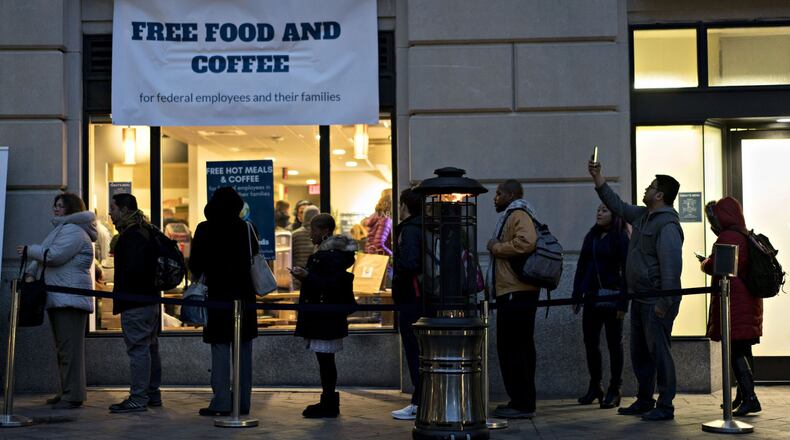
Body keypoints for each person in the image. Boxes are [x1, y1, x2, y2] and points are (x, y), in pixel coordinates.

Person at [588, 159, 683, 421]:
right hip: (639, 299)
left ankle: (665, 405)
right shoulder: (642, 216)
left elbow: (671, 268)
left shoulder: (667, 226)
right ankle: (644, 400)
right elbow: (616, 205)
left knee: (659, 353)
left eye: (651, 187)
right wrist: (598, 178)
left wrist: (665, 303)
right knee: (640, 353)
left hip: (656, 301)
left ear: (660, 195)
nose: (646, 189)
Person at [17, 193, 97, 409]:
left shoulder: (73, 230)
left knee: (69, 350)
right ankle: (67, 392)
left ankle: (73, 395)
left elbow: (54, 255)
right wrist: (32, 272)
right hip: (62, 297)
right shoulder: (64, 229)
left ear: (71, 209)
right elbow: (49, 258)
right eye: (55, 205)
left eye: (60, 206)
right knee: (64, 349)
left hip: (69, 298)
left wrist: (29, 250)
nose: (55, 209)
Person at [189, 187, 259, 416]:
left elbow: (195, 265)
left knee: (219, 350)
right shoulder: (248, 228)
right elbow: (255, 259)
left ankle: (221, 402)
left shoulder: (204, 228)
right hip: (244, 296)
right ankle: (243, 402)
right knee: (244, 352)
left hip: (217, 295)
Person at [701, 197, 763, 416]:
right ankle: (743, 396)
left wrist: (704, 263)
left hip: (735, 303)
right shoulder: (744, 235)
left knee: (736, 350)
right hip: (748, 300)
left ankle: (750, 398)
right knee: (745, 350)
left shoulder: (727, 237)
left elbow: (717, 266)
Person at [291, 214, 356, 418]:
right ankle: (328, 401)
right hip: (324, 314)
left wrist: (307, 276)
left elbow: (329, 284)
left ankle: (329, 403)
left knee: (326, 360)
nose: (311, 233)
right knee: (325, 360)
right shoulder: (330, 254)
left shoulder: (331, 256)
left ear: (325, 231)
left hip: (324, 315)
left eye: (314, 229)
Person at [485, 180, 539, 419]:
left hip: (516, 291)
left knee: (514, 347)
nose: (494, 198)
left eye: (498, 194)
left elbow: (526, 242)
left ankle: (522, 402)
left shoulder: (518, 213)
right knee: (516, 346)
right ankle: (520, 400)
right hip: (512, 290)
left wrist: (497, 247)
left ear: (511, 195)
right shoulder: (513, 214)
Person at [571, 204, 630, 409]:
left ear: (614, 215)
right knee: (590, 343)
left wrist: (623, 302)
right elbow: (582, 265)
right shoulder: (592, 236)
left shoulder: (621, 236)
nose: (599, 213)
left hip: (613, 298)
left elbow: (627, 270)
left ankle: (615, 388)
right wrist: (576, 295)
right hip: (592, 298)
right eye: (597, 209)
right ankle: (595, 385)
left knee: (615, 345)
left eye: (604, 210)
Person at [108, 193, 162, 413]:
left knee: (139, 349)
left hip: (135, 301)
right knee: (150, 347)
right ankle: (152, 394)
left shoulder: (131, 236)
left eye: (112, 208)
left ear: (123, 209)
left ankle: (138, 398)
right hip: (149, 299)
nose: (110, 212)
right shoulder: (147, 230)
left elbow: (133, 270)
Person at [390, 188, 423, 420]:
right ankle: (423, 399)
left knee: (414, 351)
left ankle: (419, 402)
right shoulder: (427, 226)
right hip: (425, 298)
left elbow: (410, 263)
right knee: (422, 352)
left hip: (412, 298)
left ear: (405, 206)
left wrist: (397, 269)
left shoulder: (410, 230)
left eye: (400, 205)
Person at [291, 205, 321, 289]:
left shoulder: (294, 235)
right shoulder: (321, 234)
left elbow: (291, 258)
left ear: (304, 217)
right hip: (316, 279)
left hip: (297, 279)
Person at [364, 189, 393, 256]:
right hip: (380, 258)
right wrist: (392, 255)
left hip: (371, 256)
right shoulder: (386, 220)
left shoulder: (375, 216)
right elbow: (379, 243)